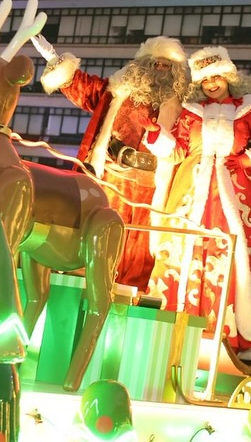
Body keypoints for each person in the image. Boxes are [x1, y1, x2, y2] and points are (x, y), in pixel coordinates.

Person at [145, 46, 251, 362]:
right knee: (182, 254)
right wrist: (157, 134)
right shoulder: (191, 112)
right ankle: (172, 328)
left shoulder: (248, 111)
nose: (211, 84)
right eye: (206, 80)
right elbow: (177, 151)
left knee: (233, 258)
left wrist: (249, 160)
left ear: (228, 77)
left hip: (234, 198)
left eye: (216, 77)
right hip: (189, 195)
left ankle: (230, 333)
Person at [32, 34, 190, 289]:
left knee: (137, 248)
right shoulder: (116, 91)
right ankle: (85, 284)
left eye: (166, 65)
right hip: (110, 178)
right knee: (98, 232)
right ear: (143, 65)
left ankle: (128, 293)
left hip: (149, 188)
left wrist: (159, 137)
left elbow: (184, 149)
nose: (160, 69)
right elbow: (81, 86)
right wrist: (54, 60)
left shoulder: (184, 109)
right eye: (155, 63)